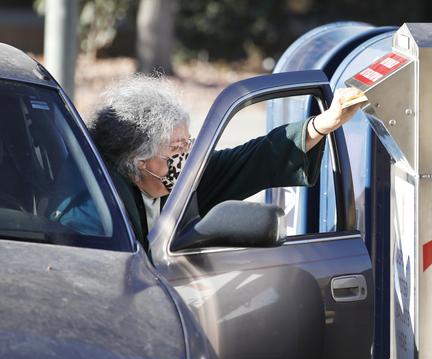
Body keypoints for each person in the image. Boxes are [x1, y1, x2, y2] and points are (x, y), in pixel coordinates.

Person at [89, 75, 361, 250]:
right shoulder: (99, 212)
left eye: (188, 144)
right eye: (176, 148)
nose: (186, 157)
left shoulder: (182, 182)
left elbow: (255, 159)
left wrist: (323, 124)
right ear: (138, 162)